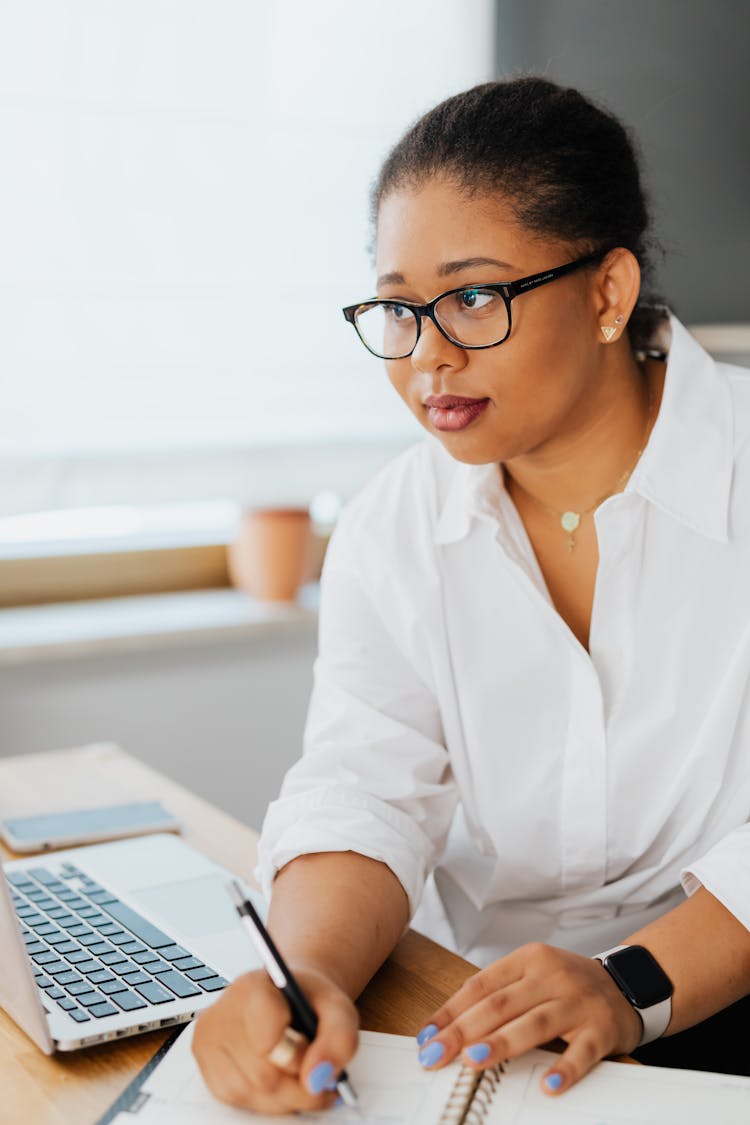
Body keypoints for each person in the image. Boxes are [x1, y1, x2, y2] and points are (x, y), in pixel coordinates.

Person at [193, 76, 750, 1111]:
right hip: (488, 1011)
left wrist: (628, 986)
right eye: (399, 308)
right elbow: (366, 787)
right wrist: (304, 974)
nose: (428, 355)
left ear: (606, 293)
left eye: (474, 297)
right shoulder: (391, 529)